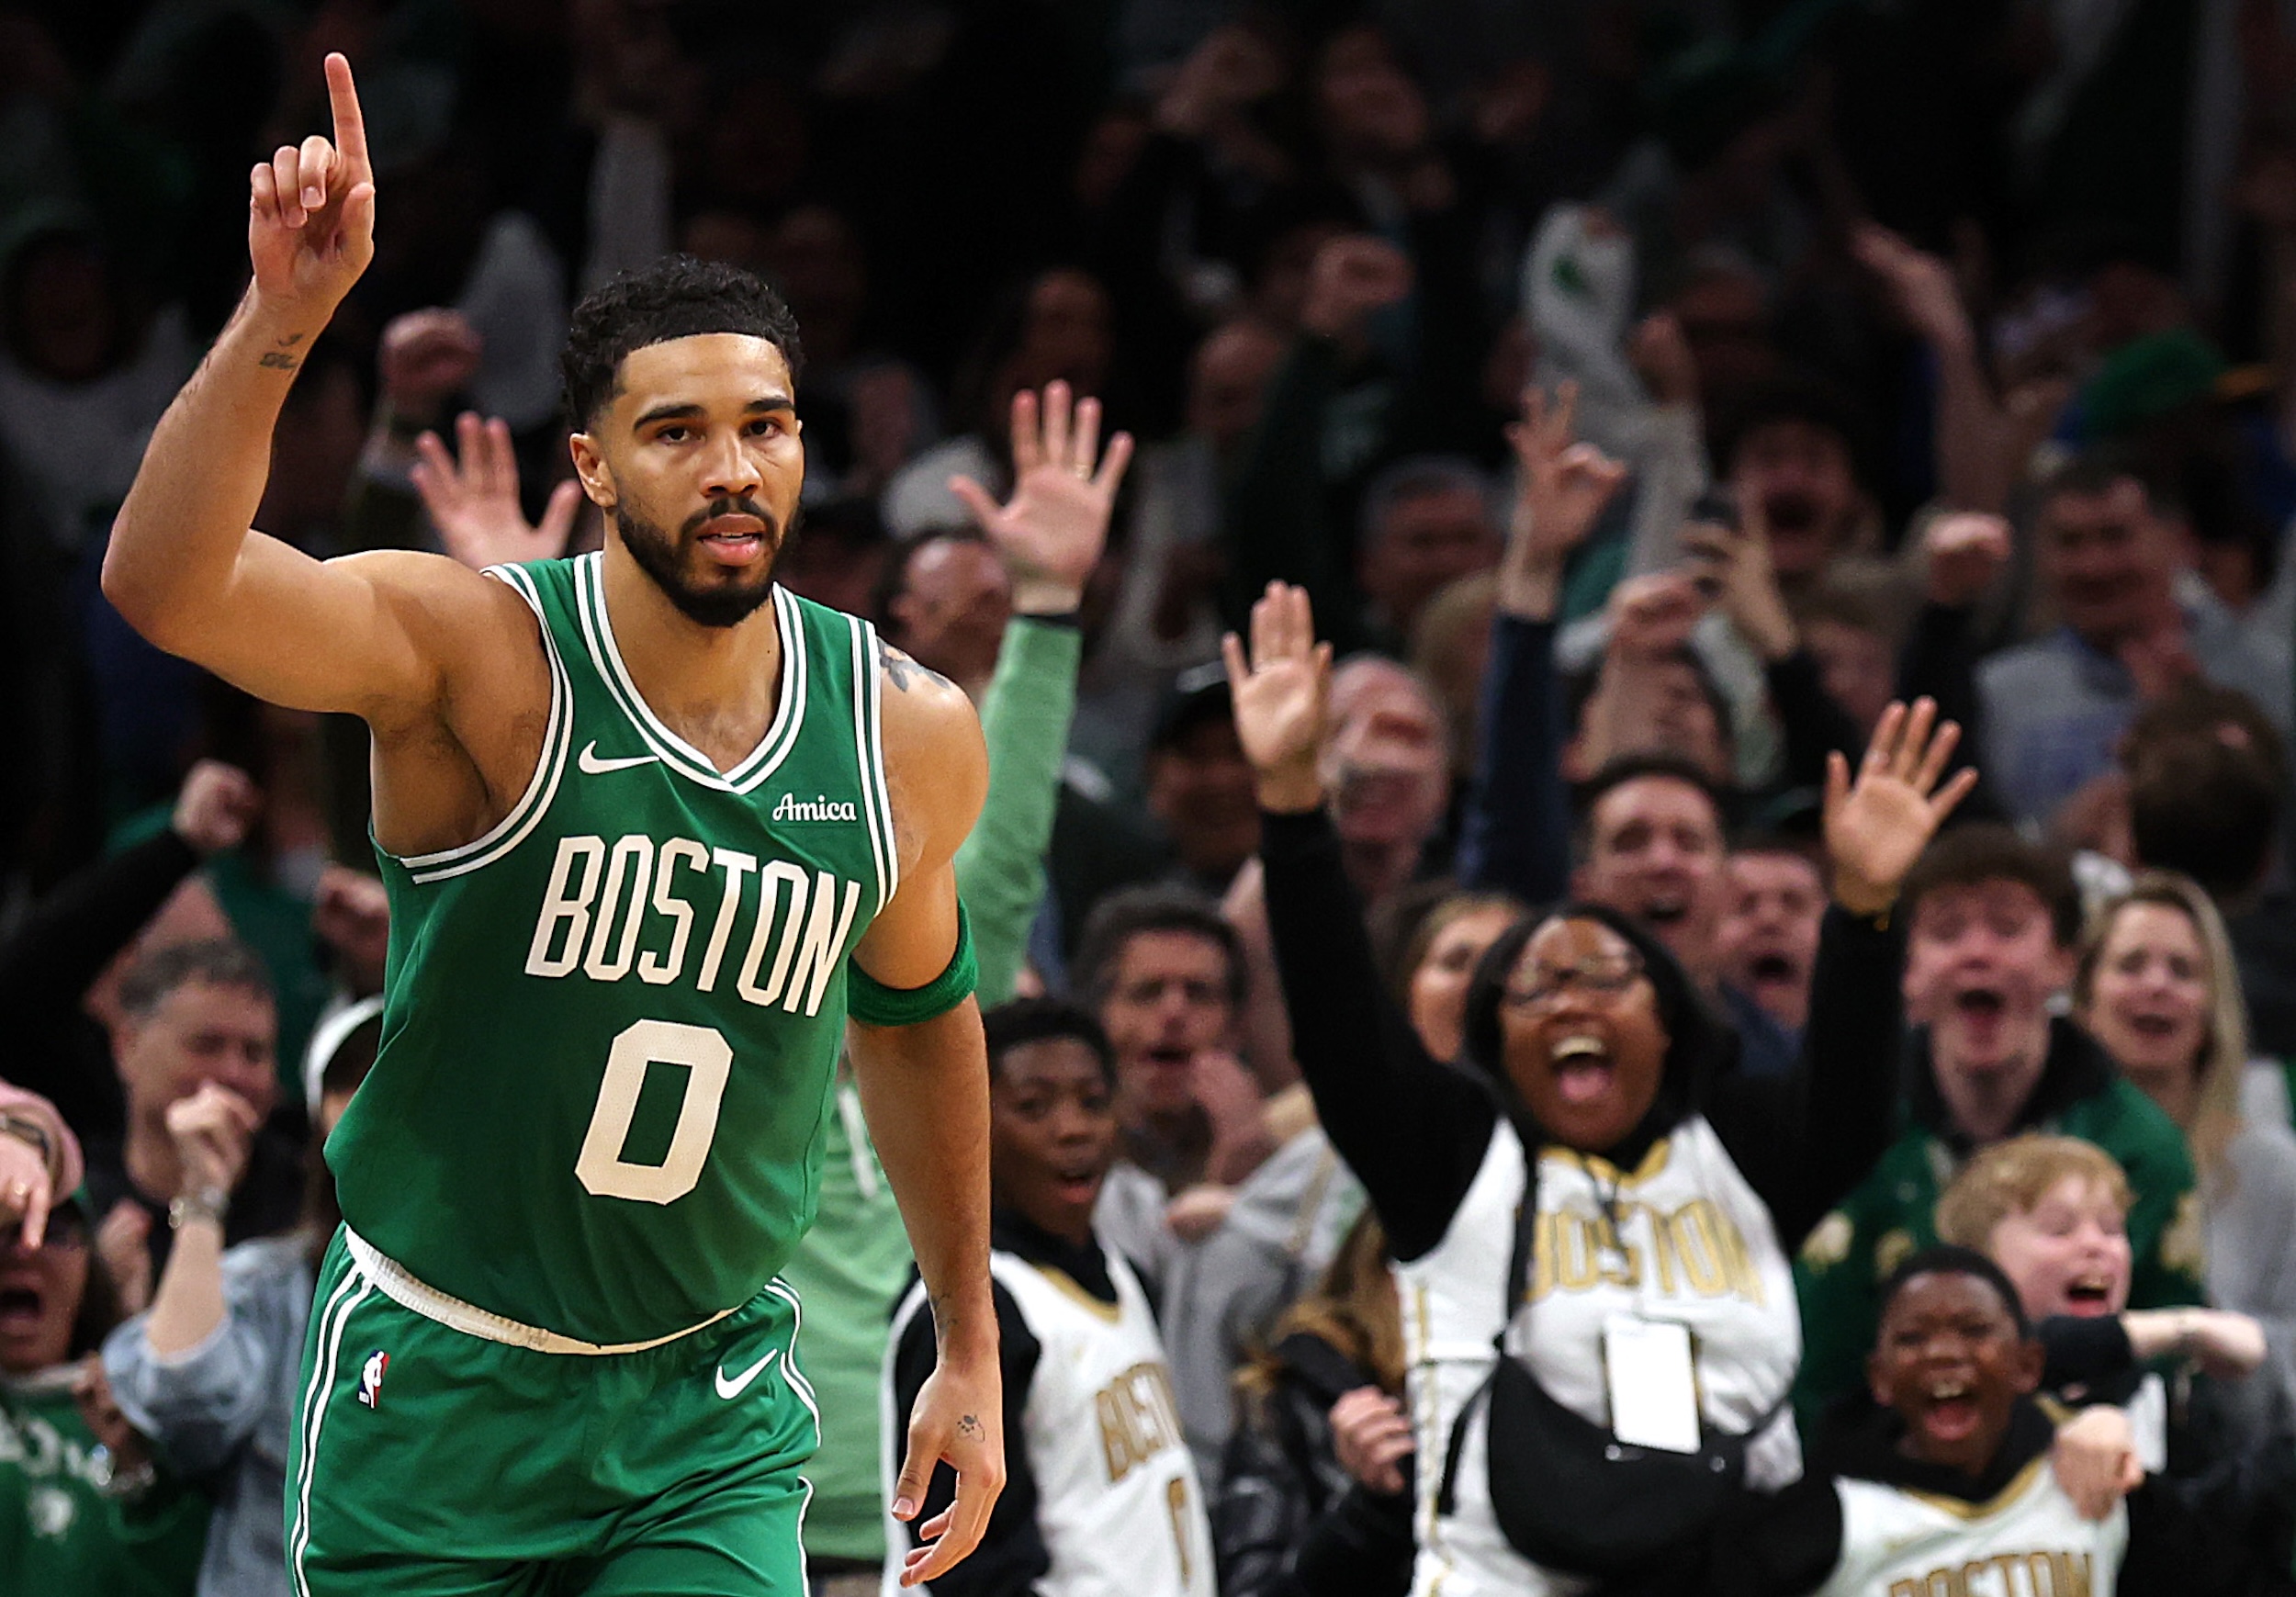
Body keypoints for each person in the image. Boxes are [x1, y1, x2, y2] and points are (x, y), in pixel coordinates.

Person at [98, 58, 1008, 1593]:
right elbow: (166, 586)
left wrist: (968, 1345)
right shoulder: (474, 653)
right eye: (677, 432)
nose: (733, 468)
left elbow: (917, 1016)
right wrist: (283, 322)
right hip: (441, 1380)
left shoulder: (902, 730)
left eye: (767, 427)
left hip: (703, 1400)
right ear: (588, 463)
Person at [1229, 578, 1974, 1595]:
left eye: (1604, 977)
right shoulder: (1451, 1157)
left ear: (1666, 1020)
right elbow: (1338, 1024)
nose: (1569, 999)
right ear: (1496, 1041)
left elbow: (1854, 1087)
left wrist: (1866, 908)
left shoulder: (1745, 1148)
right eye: (1533, 986)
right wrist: (1291, 807)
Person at [1793, 827, 2207, 1421]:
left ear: (2064, 961)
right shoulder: (1866, 1131)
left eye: (2008, 928)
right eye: (1946, 930)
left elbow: (2167, 1356)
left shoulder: (2136, 1146)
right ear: (1909, 971)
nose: (1977, 952)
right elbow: (1821, 1371)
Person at [884, 999, 1213, 1597]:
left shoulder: (1124, 1271)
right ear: (970, 1122)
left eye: (1092, 1100)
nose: (1073, 1127)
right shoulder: (965, 1315)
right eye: (1034, 1106)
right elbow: (964, 1567)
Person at [1709, 1248, 2194, 1597]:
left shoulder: (2095, 1480)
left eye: (1974, 1330)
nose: (1942, 1353)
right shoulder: (1824, 1521)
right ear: (1880, 1378)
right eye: (1914, 1338)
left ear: (2026, 1365)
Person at [101, 996, 382, 1597]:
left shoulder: (522, 1299)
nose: (383, 1097)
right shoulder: (267, 1284)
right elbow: (182, 1397)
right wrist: (202, 1194)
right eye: (355, 1079)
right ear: (323, 1118)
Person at [2072, 873, 2296, 1410]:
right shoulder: (2039, 1156)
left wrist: (2209, 1335)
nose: (2157, 986)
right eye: (2130, 965)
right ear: (2084, 1001)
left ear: (2212, 1007)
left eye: (2183, 970)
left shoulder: (2273, 1171)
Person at [1214, 1212, 1414, 1597]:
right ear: (1382, 1275)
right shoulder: (1288, 1400)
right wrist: (1367, 1514)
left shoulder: (1516, 1393)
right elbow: (1252, 1588)